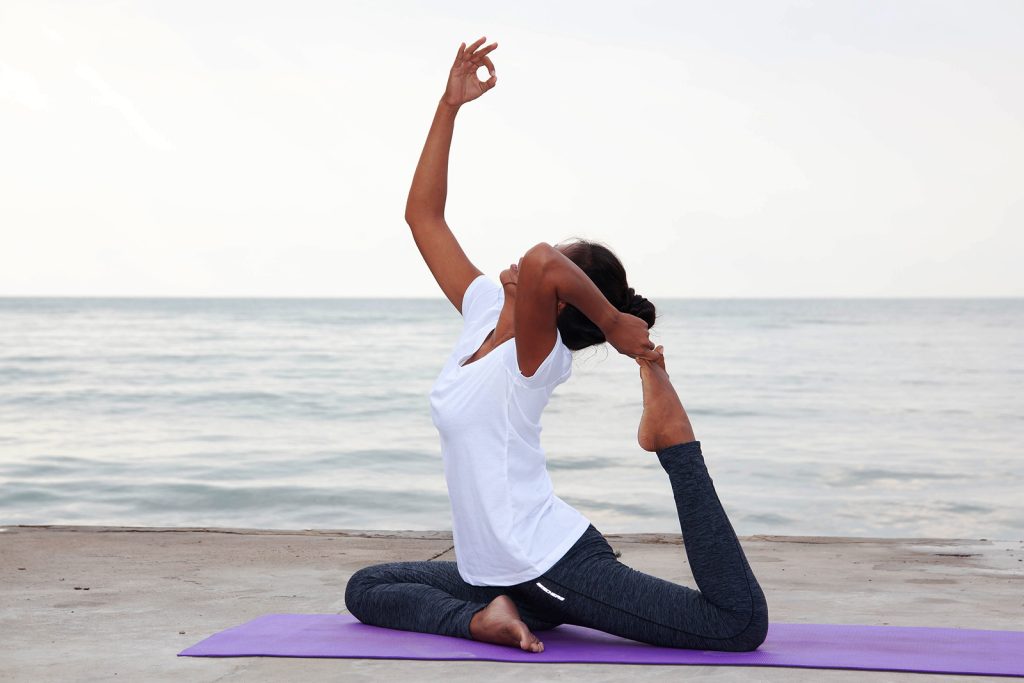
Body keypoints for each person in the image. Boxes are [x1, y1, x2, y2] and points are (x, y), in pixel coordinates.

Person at [344, 37, 768, 653]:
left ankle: (672, 440)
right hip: (490, 574)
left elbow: (544, 260)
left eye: (559, 275)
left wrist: (615, 323)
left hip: (552, 565)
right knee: (368, 587)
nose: (520, 259)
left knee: (734, 624)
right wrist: (449, 106)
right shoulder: (485, 309)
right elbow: (423, 218)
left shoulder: (537, 357)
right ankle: (483, 618)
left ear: (560, 302)